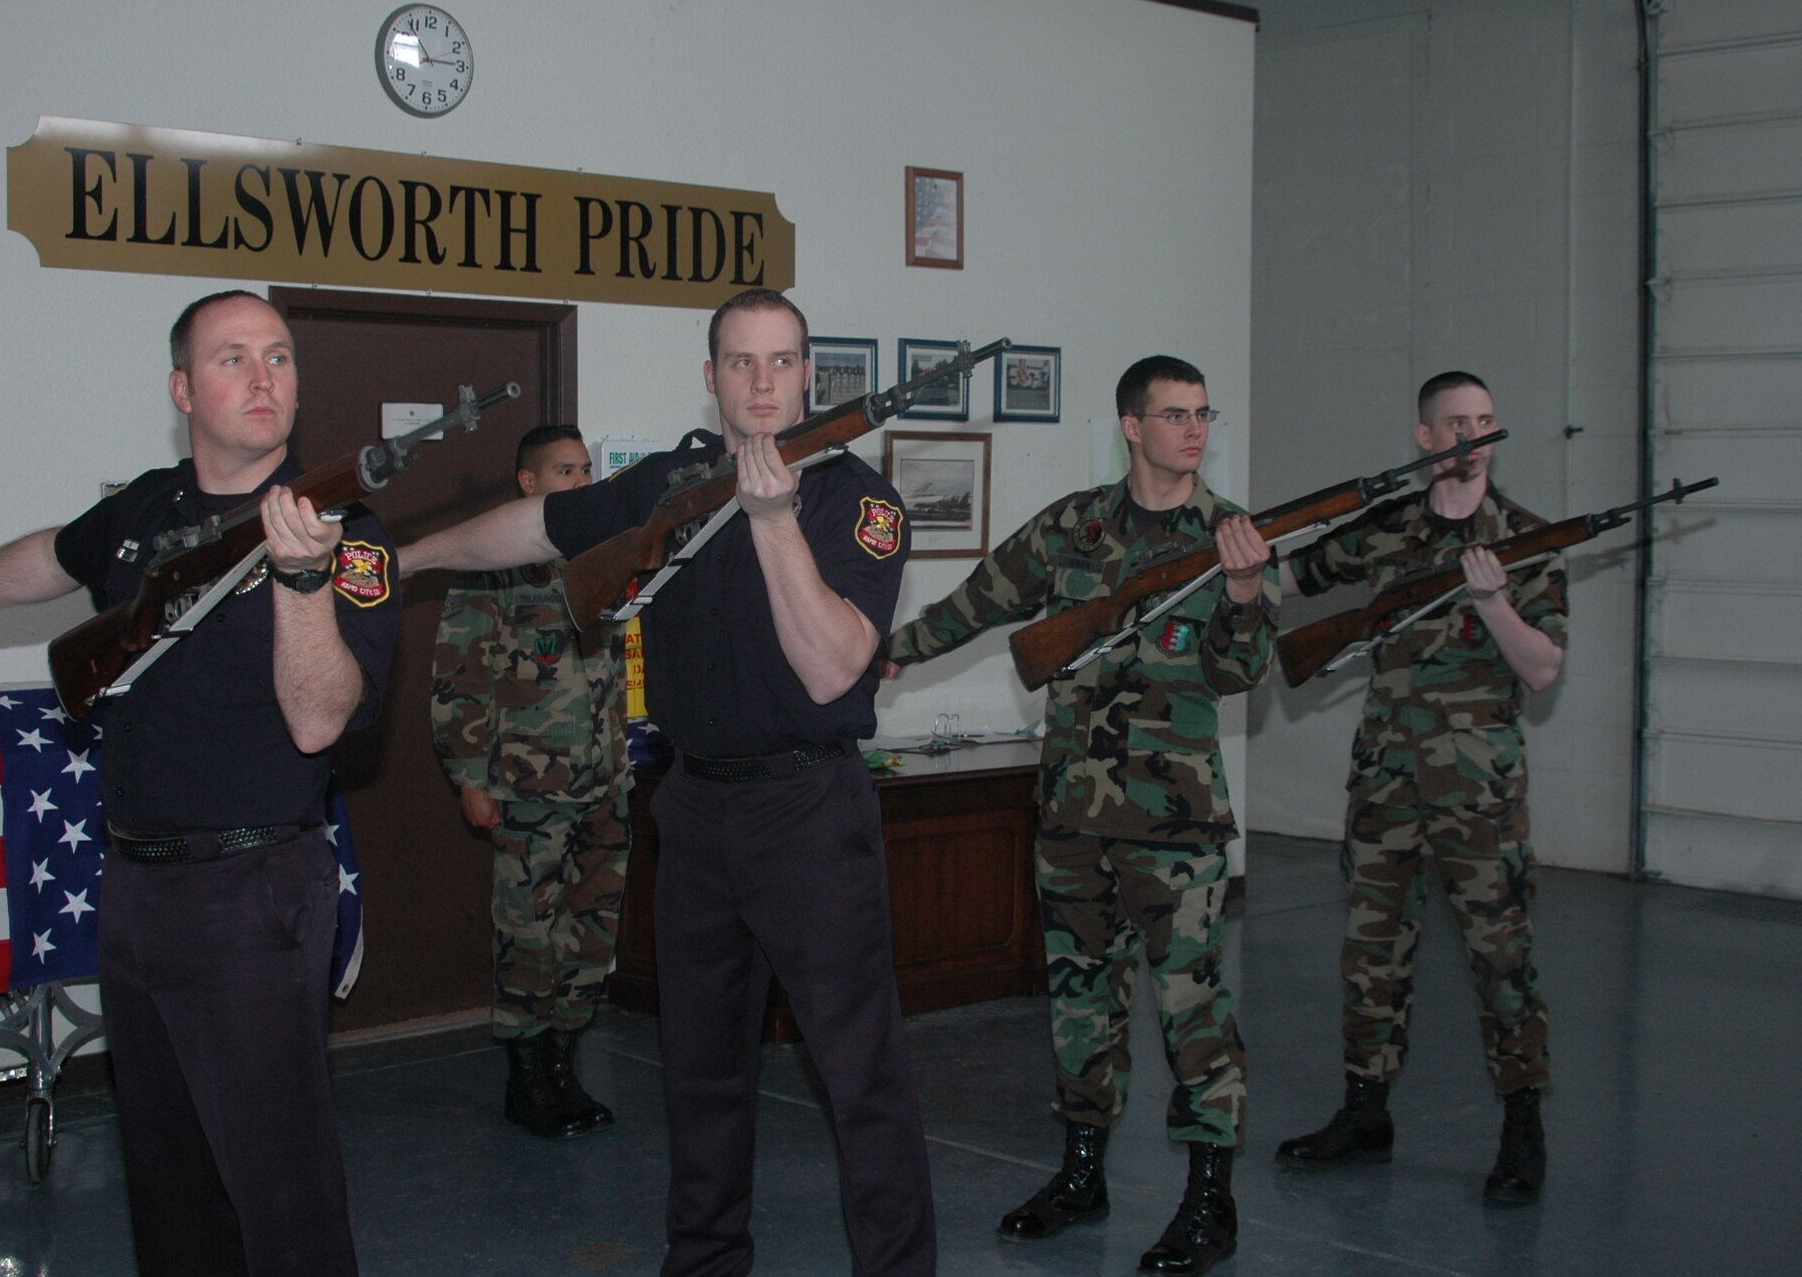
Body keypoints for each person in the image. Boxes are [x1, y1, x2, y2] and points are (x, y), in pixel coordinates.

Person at [0, 291, 400, 1277]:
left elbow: (321, 721)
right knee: (170, 1186)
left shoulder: (343, 535)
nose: (263, 375)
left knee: (282, 1196)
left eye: (278, 355)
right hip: (138, 890)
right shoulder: (149, 506)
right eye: (232, 357)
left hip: (256, 893)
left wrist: (300, 582)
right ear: (184, 389)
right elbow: (53, 558)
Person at [400, 287, 935, 1277]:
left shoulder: (859, 502)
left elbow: (831, 668)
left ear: (810, 373)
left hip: (807, 812)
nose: (762, 382)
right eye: (740, 361)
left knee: (860, 1077)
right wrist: (406, 559)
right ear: (710, 376)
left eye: (781, 361)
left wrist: (772, 522)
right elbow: (536, 527)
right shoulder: (673, 483)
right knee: (698, 1075)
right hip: (692, 809)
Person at [881, 355, 1275, 1277]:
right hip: (1072, 811)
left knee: (1192, 1008)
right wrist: (891, 653)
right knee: (1079, 1001)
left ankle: (1209, 1194)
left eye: (1203, 414)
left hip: (1175, 823)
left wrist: (1248, 596)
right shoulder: (1073, 527)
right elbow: (979, 600)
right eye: (1174, 414)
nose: (1194, 429)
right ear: (1131, 426)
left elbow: (1242, 673)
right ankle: (1081, 1170)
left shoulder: (1232, 535)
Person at [1272, 371, 1563, 1208]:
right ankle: (1365, 1111)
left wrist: (1496, 602)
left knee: (1500, 959)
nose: (1474, 435)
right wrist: (1244, 573)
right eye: (1457, 423)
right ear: (1426, 438)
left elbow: (1543, 669)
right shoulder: (1388, 530)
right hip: (1386, 781)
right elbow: (1294, 580)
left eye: (1487, 421)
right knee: (1371, 954)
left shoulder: (1528, 539)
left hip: (1481, 793)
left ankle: (1522, 1125)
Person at [430, 423, 632, 1139]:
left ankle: (563, 1069)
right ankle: (525, 1082)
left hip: (604, 779)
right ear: (528, 483)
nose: (580, 483)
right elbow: (461, 676)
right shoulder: (495, 567)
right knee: (528, 935)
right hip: (526, 786)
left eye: (585, 470)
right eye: (564, 471)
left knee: (590, 931)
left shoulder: (605, 558)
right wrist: (468, 776)